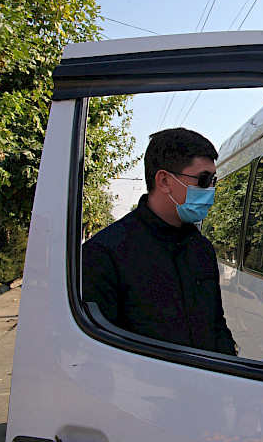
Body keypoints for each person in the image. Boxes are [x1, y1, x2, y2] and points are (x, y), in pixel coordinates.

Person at [82, 127, 236, 356]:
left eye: (213, 180)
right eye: (204, 180)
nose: (211, 190)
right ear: (164, 180)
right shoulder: (105, 253)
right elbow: (100, 349)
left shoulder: (201, 249)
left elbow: (216, 325)